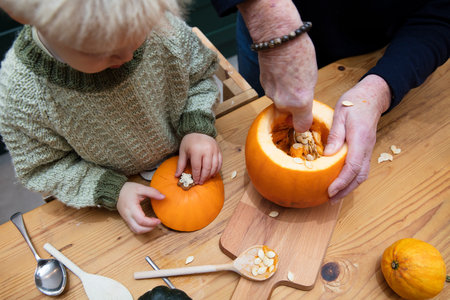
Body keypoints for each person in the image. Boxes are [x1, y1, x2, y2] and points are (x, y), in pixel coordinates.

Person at [0, 0, 223, 234]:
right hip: (120, 190)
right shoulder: (20, 94)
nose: (128, 56)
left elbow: (199, 77)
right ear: (24, 16)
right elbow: (44, 168)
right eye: (103, 52)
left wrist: (196, 126)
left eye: (140, 33)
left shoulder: (157, 23)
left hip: (185, 158)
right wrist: (112, 190)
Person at [211, 0, 450, 202]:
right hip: (268, 28)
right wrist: (272, 26)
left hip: (378, 51)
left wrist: (380, 89)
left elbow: (443, 14)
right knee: (259, 104)